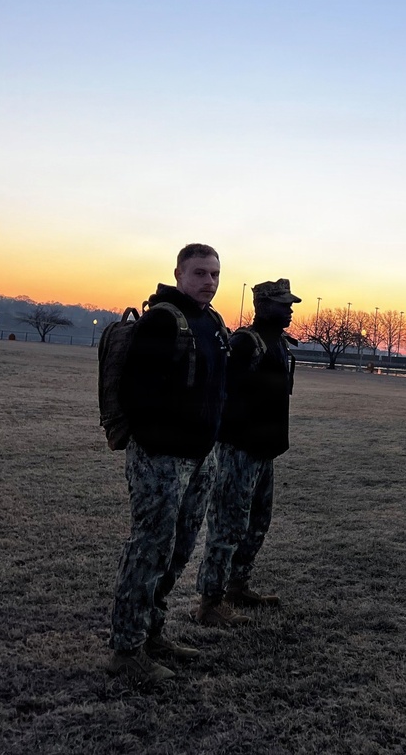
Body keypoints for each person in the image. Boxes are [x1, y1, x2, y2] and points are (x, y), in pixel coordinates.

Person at [108, 244, 228, 684]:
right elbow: (137, 397)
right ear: (178, 273)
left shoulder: (212, 322)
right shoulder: (162, 319)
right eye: (199, 273)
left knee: (178, 549)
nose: (209, 282)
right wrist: (166, 443)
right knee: (149, 548)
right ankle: (126, 650)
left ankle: (153, 632)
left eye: (215, 274)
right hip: (162, 459)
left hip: (201, 458)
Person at [195, 279, 301, 626]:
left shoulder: (280, 344)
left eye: (290, 304)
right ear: (264, 306)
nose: (290, 309)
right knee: (228, 524)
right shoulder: (245, 343)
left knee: (257, 523)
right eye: (283, 304)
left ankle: (237, 587)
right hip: (239, 450)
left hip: (265, 451)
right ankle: (210, 602)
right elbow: (222, 392)